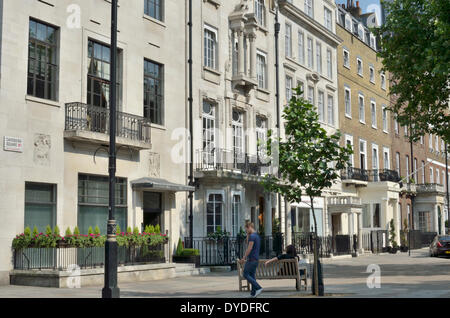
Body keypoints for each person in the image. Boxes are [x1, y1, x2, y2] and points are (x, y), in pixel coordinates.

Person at [239, 222, 262, 298]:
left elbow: (249, 248)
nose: (246, 231)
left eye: (246, 230)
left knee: (245, 274)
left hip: (251, 259)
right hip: (256, 259)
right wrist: (248, 234)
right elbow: (247, 242)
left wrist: (244, 257)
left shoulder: (252, 236)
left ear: (249, 227)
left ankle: (258, 287)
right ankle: (253, 293)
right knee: (252, 275)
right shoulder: (256, 236)